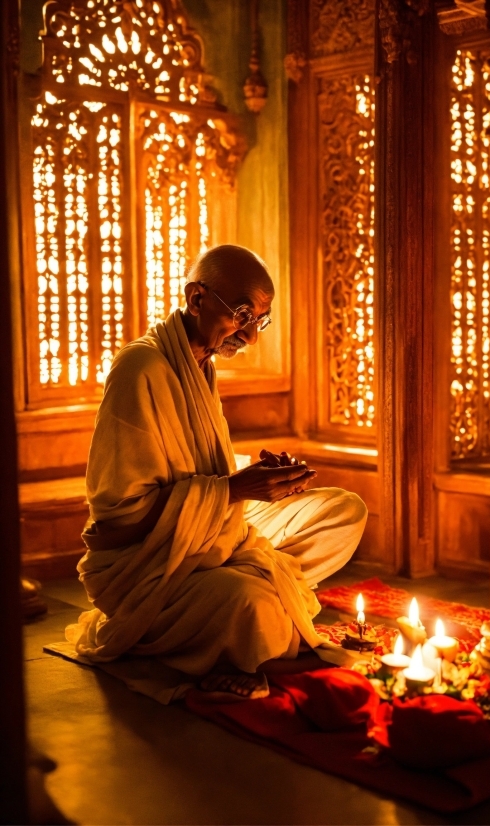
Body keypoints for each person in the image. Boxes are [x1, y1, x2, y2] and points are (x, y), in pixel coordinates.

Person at [66, 244, 367, 700]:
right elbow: (119, 518)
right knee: (254, 607)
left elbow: (197, 467)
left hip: (211, 536)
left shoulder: (201, 365)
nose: (249, 337)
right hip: (148, 565)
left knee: (345, 511)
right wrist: (231, 490)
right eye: (242, 315)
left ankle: (242, 593)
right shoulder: (141, 368)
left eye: (258, 321)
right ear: (196, 298)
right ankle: (246, 604)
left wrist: (262, 479)